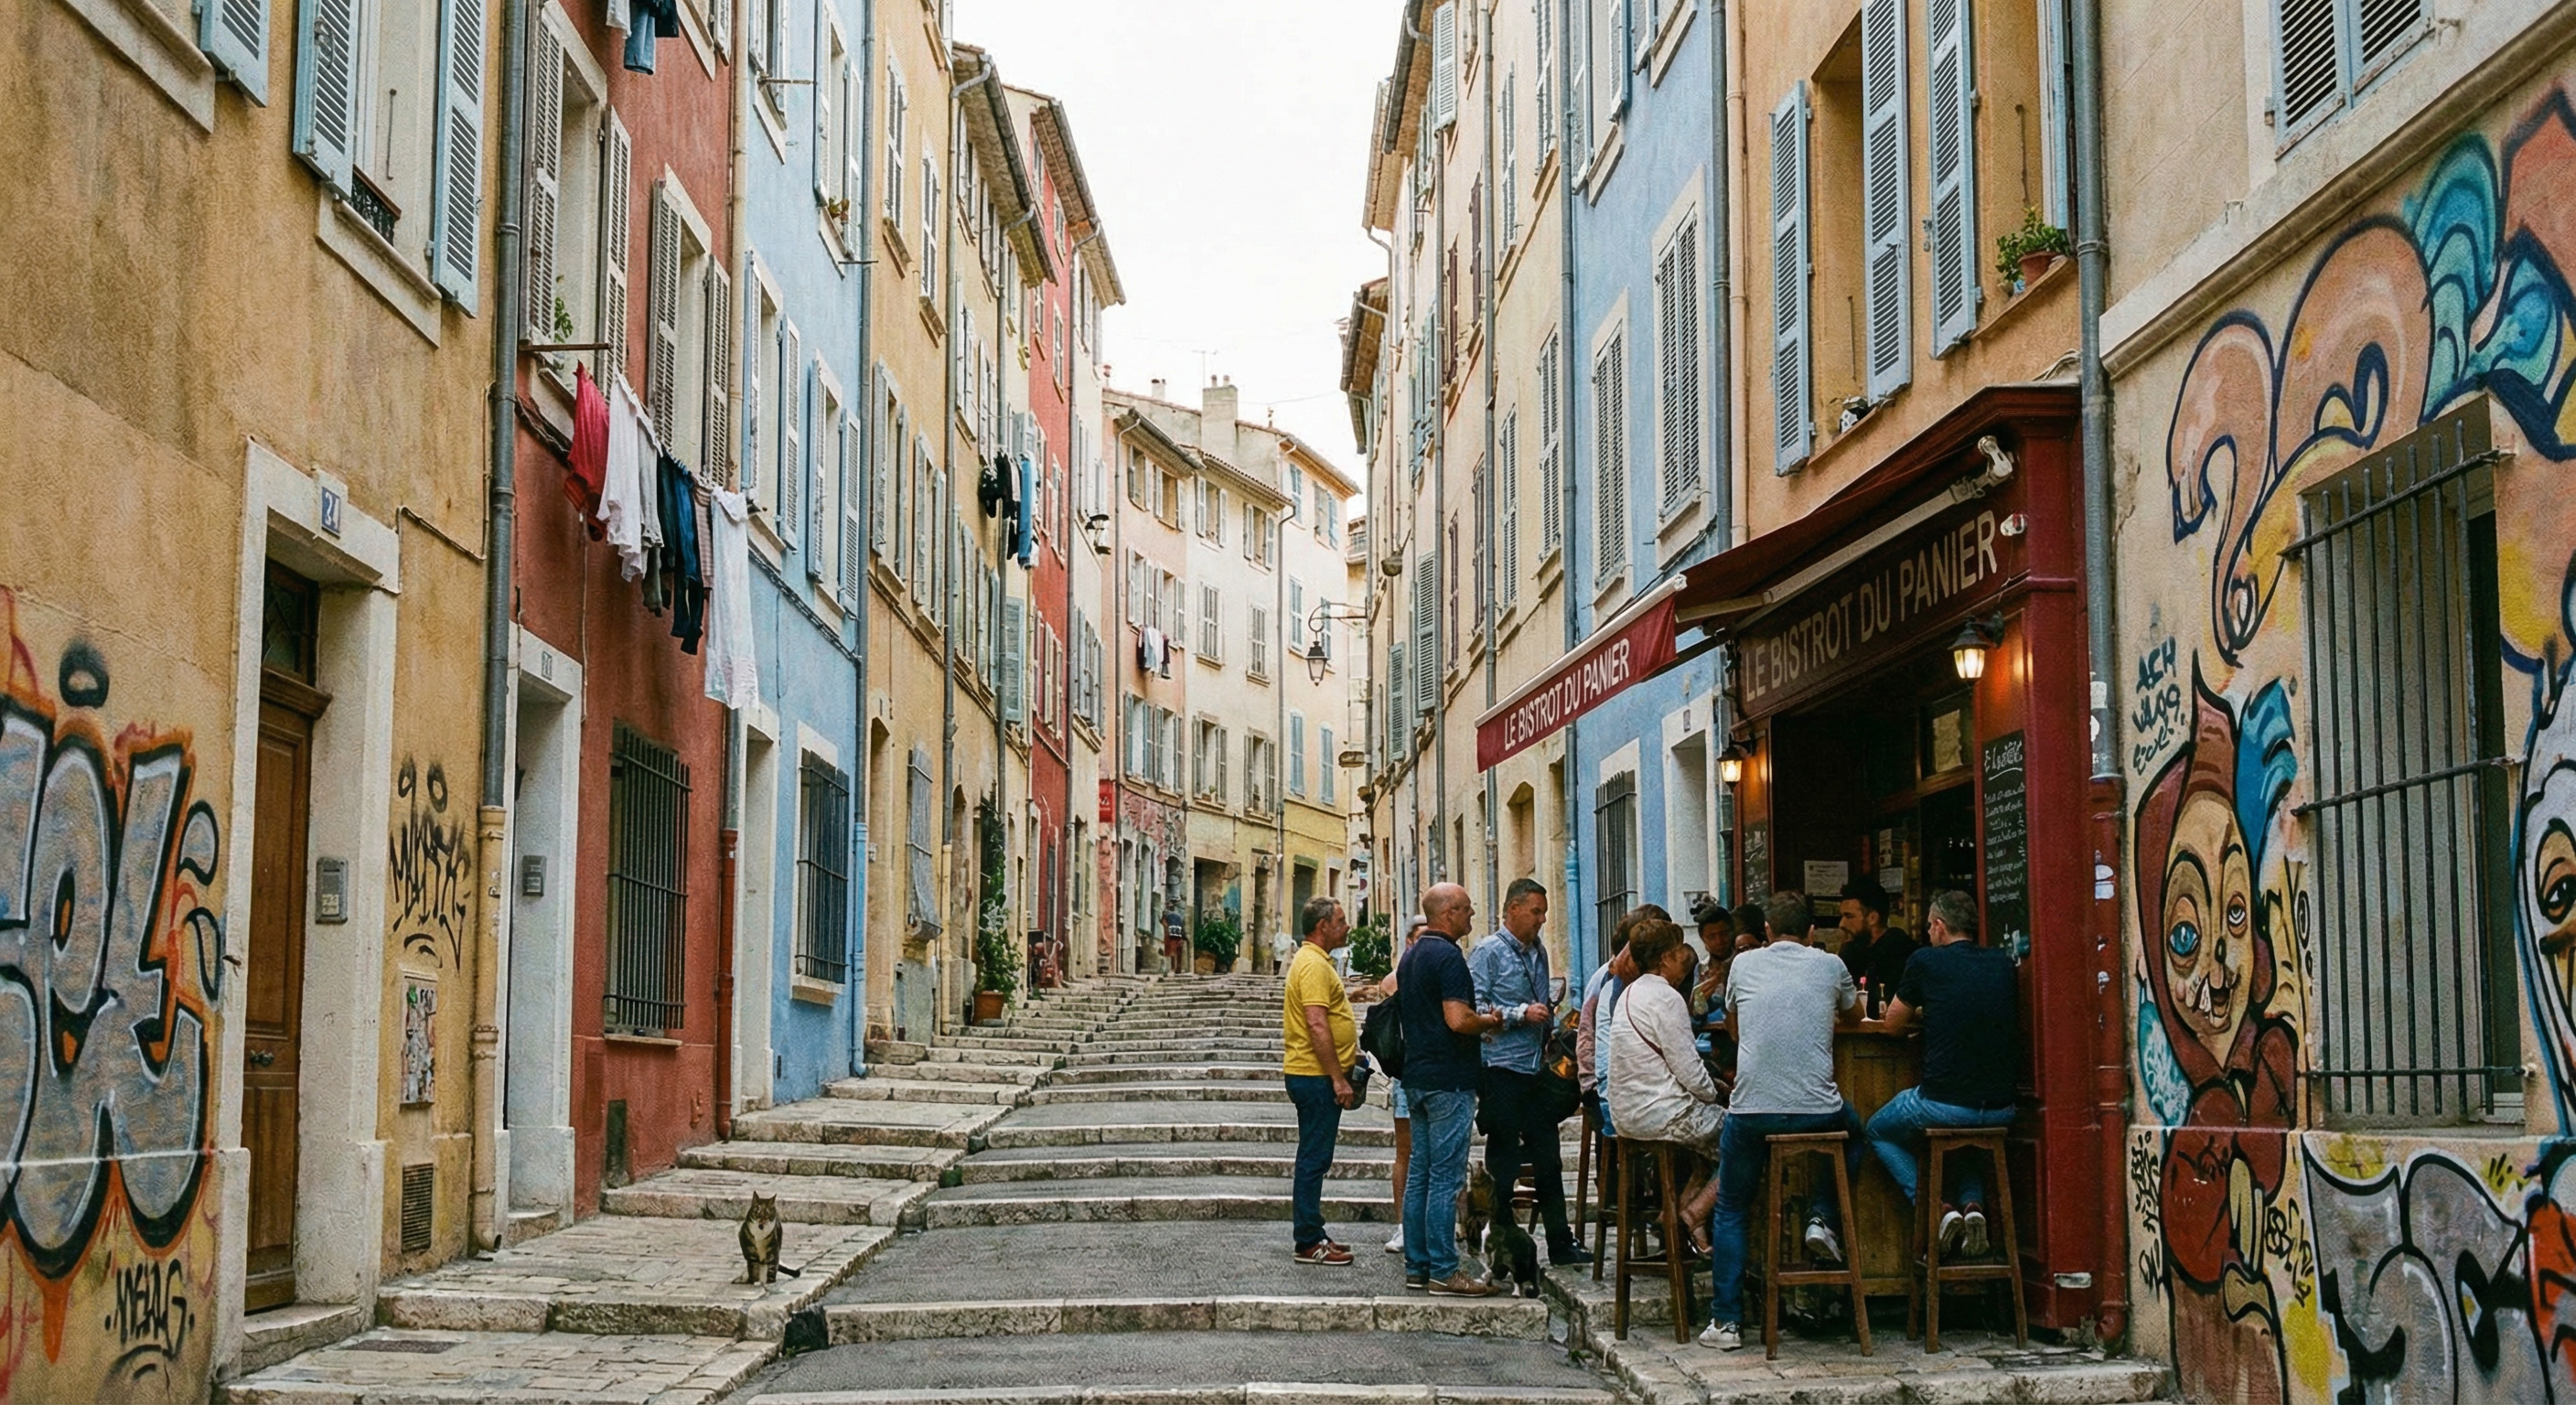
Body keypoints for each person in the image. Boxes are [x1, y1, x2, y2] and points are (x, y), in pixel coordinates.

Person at [1700, 890, 1867, 1352]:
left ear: (1767, 931)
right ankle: (1821, 1216)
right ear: (1813, 931)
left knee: (1732, 1206)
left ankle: (1727, 1323)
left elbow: (1733, 1025)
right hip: (1819, 1112)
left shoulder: (1743, 965)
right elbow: (1854, 1013)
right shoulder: (1828, 964)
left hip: (1753, 1110)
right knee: (1857, 1133)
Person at [1862, 889, 2021, 1257]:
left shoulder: (1925, 961)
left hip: (1942, 1103)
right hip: (2002, 1109)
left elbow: (1891, 1025)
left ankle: (1937, 1208)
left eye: (1929, 929)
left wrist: (1923, 1012)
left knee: (1877, 1131)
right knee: (1965, 1141)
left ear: (1938, 926)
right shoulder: (2001, 963)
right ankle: (1971, 1208)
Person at [1469, 879, 1589, 1267]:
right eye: (1536, 911)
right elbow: (1476, 1008)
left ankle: (1560, 1242)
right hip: (1501, 1069)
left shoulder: (1538, 952)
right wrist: (1522, 1014)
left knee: (1548, 1158)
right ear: (1513, 910)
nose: (1541, 919)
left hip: (1534, 1069)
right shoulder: (1488, 952)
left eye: (1544, 912)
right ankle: (1501, 1244)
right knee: (1503, 1162)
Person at [1397, 883, 1507, 1296]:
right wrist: (1490, 1021)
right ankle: (1445, 1269)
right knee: (1444, 1178)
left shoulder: (1411, 957)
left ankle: (1418, 1264)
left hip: (1417, 1077)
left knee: (1421, 1175)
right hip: (1449, 1079)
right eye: (1466, 911)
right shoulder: (1448, 958)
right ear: (1448, 913)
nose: (1471, 918)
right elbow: (1458, 1019)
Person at [1605, 918, 1726, 1238]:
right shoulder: (1667, 998)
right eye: (1678, 952)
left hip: (1628, 1115)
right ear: (1665, 959)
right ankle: (1693, 1215)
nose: (1684, 958)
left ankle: (1673, 1214)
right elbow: (1690, 1073)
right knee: (1744, 1139)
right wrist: (1716, 1092)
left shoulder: (1629, 994)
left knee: (1708, 1144)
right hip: (1661, 1115)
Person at [1282, 896, 1361, 1265]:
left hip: (1313, 1074)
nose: (1347, 926)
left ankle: (1313, 1231)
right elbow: (1317, 1023)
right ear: (1322, 926)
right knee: (1314, 1159)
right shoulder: (1312, 965)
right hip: (1314, 1076)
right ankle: (1309, 1241)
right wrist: (1338, 1079)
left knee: (1316, 1156)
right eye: (1341, 920)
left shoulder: (1316, 962)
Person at [1372, 917, 1431, 1253]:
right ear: (1409, 942)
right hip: (1407, 1075)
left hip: (1436, 1074)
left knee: (1439, 1155)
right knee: (1406, 1154)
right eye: (1420, 939)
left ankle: (1438, 1223)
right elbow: (1390, 984)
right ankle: (1403, 1227)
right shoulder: (1401, 976)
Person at [1836, 879, 1916, 1008]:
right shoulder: (1853, 950)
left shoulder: (1898, 950)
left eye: (1849, 916)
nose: (1842, 924)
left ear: (1873, 918)